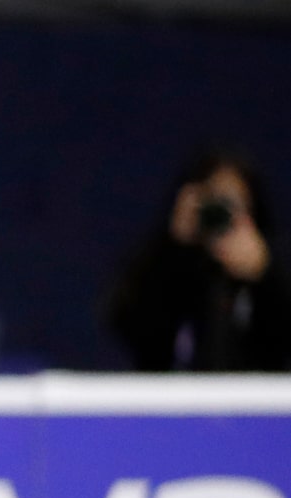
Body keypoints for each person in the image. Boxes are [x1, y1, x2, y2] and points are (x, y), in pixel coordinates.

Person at [108, 149, 288, 372]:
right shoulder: (173, 267)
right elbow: (124, 321)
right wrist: (171, 248)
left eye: (232, 203)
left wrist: (266, 272)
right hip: (178, 401)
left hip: (259, 403)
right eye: (213, 203)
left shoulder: (273, 266)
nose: (222, 215)